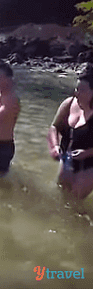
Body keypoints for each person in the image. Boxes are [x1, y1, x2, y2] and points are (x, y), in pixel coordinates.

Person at [47, 64, 93, 199]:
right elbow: (54, 127)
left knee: (75, 202)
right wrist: (55, 147)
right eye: (76, 88)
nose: (76, 93)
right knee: (60, 196)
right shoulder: (68, 103)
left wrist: (87, 153)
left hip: (89, 165)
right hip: (67, 159)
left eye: (82, 90)